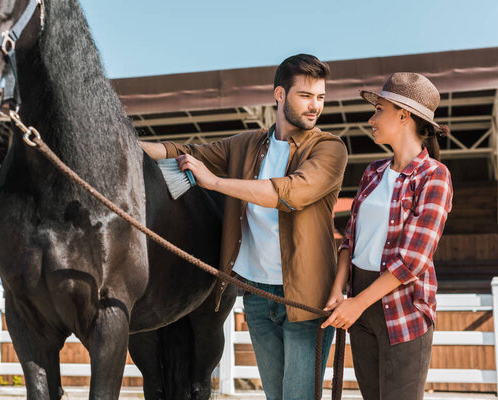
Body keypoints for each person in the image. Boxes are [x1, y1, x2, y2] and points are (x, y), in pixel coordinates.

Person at [141, 54, 347, 400]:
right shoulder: (248, 144)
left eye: (320, 97)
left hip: (305, 300)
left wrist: (215, 183)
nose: (315, 106)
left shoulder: (329, 148)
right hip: (257, 297)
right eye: (306, 96)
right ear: (280, 95)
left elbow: (289, 192)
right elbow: (184, 151)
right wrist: (122, 145)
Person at [321, 72, 453, 400]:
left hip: (403, 307)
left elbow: (412, 260)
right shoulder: (372, 172)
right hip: (359, 301)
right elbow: (349, 239)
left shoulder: (435, 176)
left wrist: (357, 304)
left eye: (378, 109)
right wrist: (340, 291)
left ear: (403, 115)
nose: (371, 118)